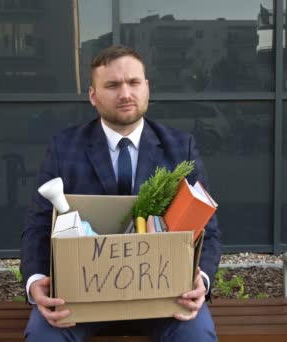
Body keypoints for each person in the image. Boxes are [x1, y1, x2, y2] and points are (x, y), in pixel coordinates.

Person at [21, 45, 222, 341]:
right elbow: (38, 225)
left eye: (134, 83)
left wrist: (200, 280)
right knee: (43, 336)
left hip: (164, 299)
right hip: (80, 298)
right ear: (93, 95)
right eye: (112, 85)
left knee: (197, 335)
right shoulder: (64, 147)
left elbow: (208, 230)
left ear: (147, 88)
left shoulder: (180, 147)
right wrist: (36, 282)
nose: (125, 94)